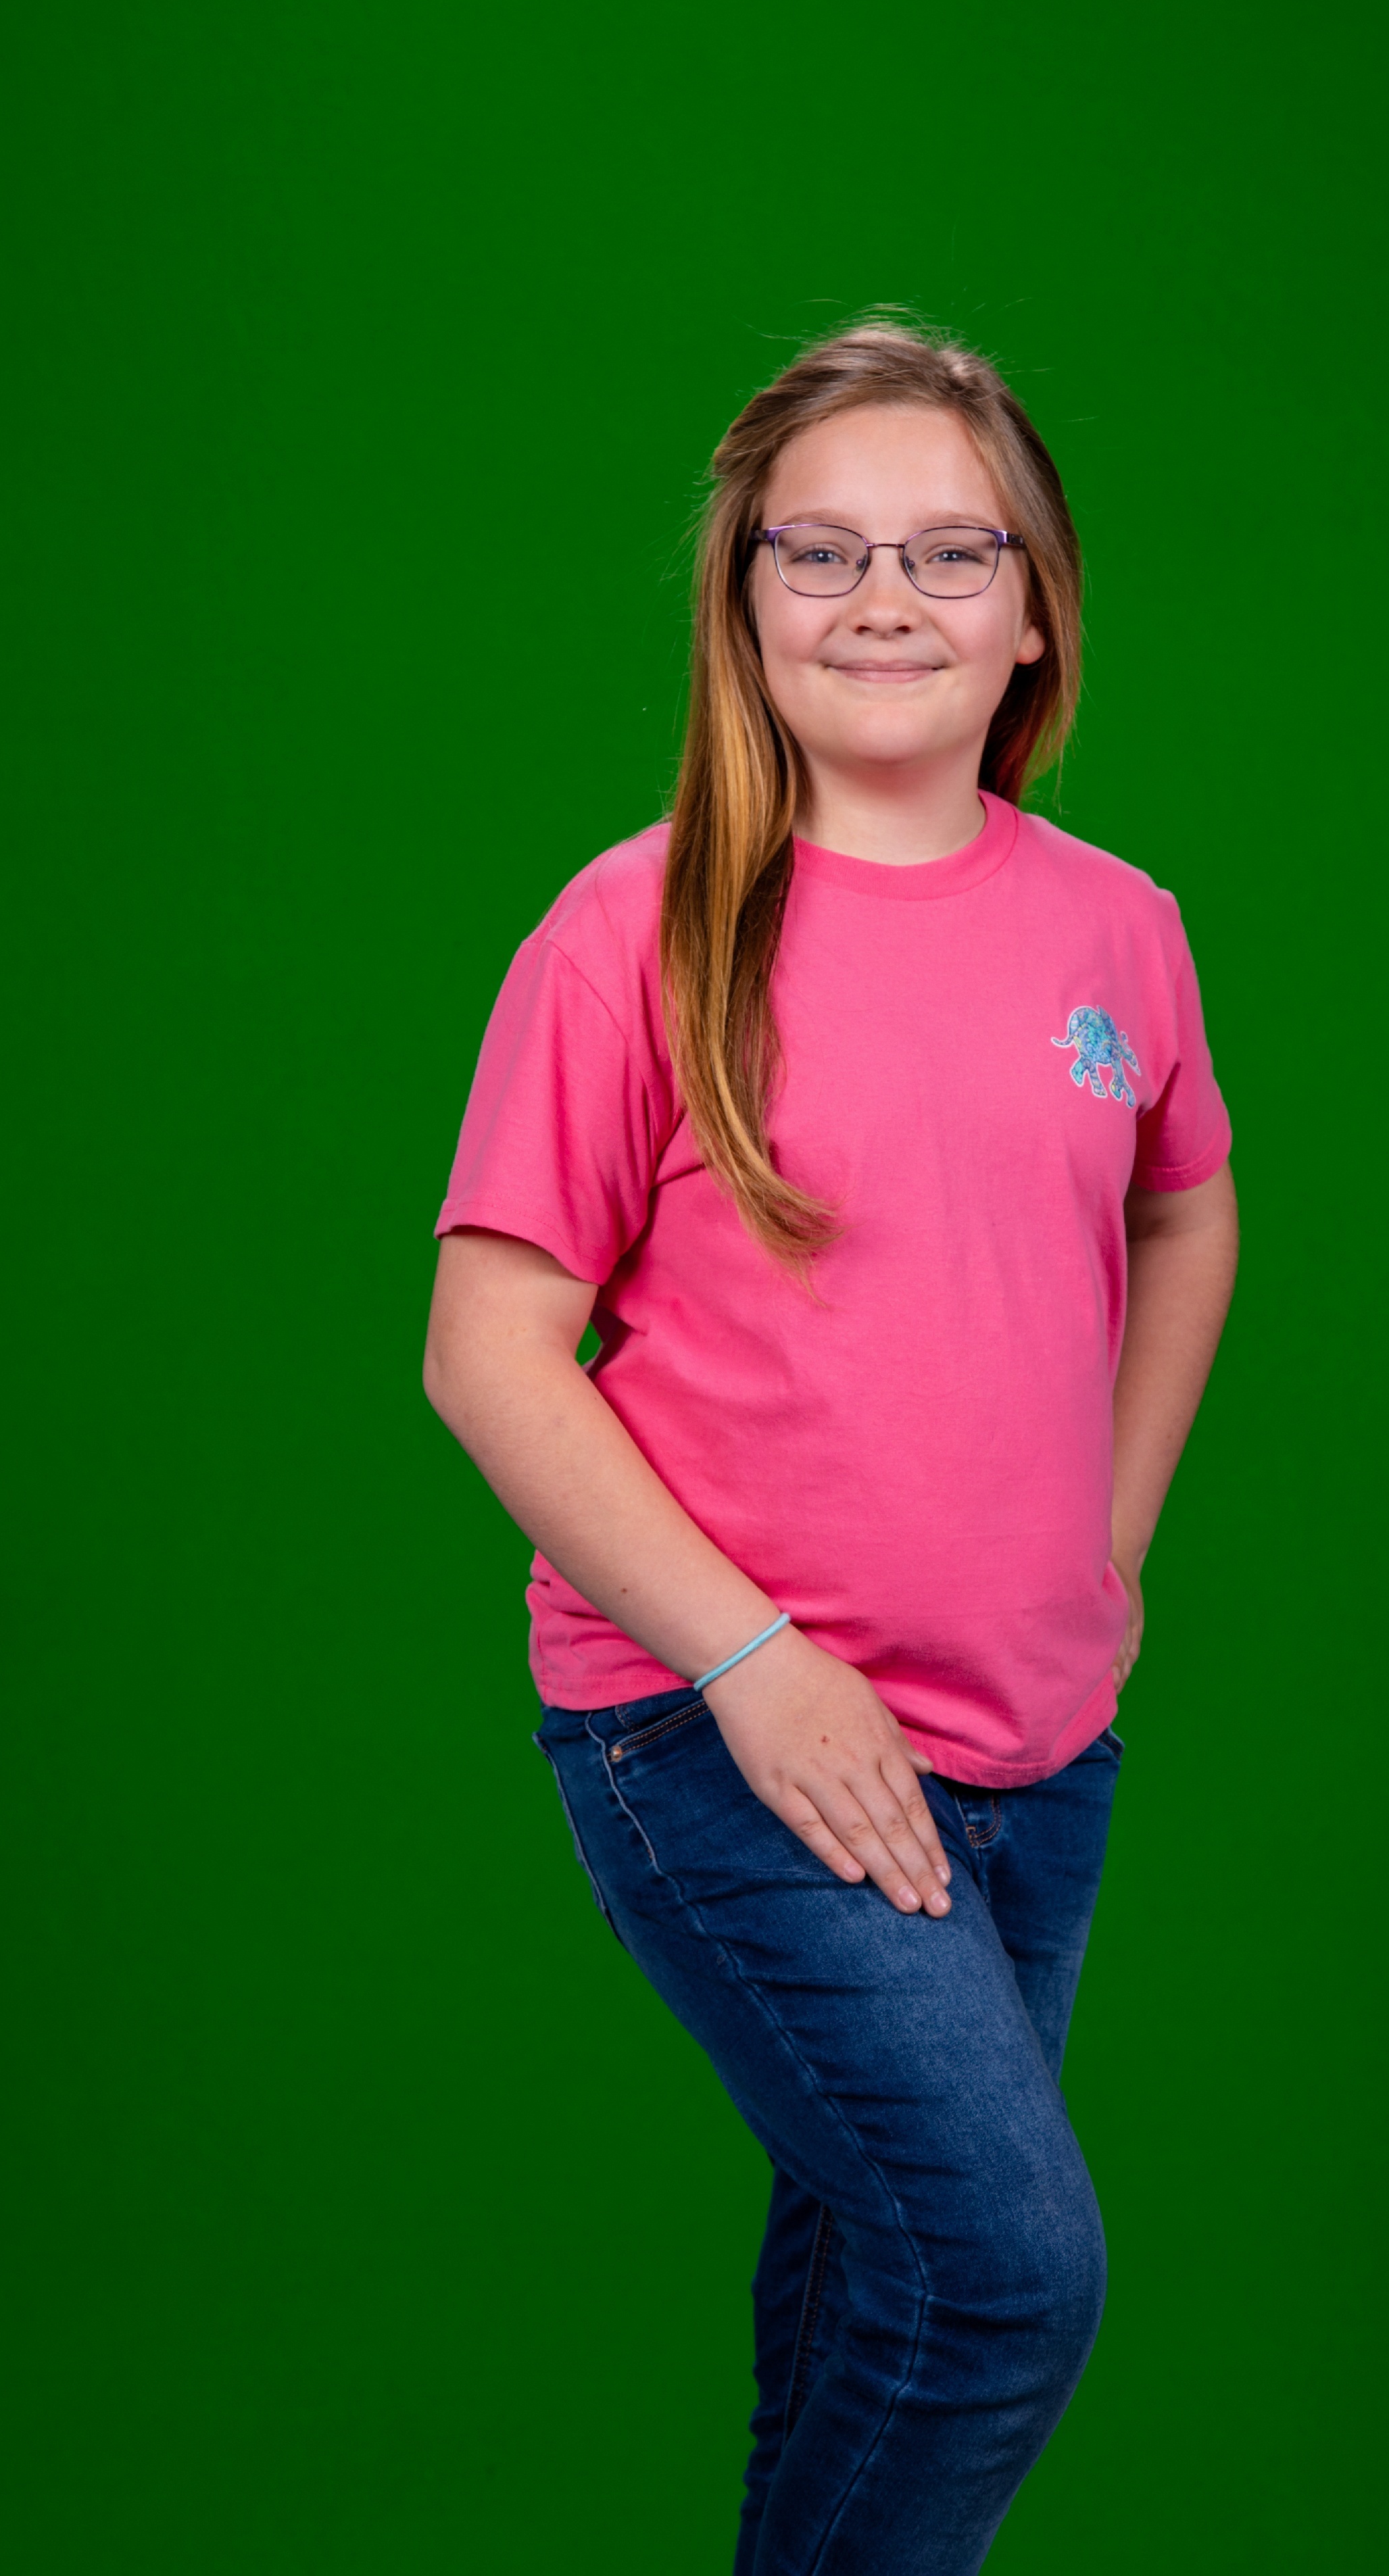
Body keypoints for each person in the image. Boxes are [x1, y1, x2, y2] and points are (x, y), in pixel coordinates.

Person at [422, 320, 1239, 2574]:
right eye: (824, 553)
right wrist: (756, 1668)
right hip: (723, 1730)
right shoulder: (636, 928)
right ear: (747, 601)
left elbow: (1187, 1208)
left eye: (951, 552)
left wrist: (1107, 1539)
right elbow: (488, 1349)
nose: (888, 599)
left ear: (1036, 609)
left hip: (1037, 1744)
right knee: (1000, 2281)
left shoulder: (1120, 928)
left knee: (881, 2276)